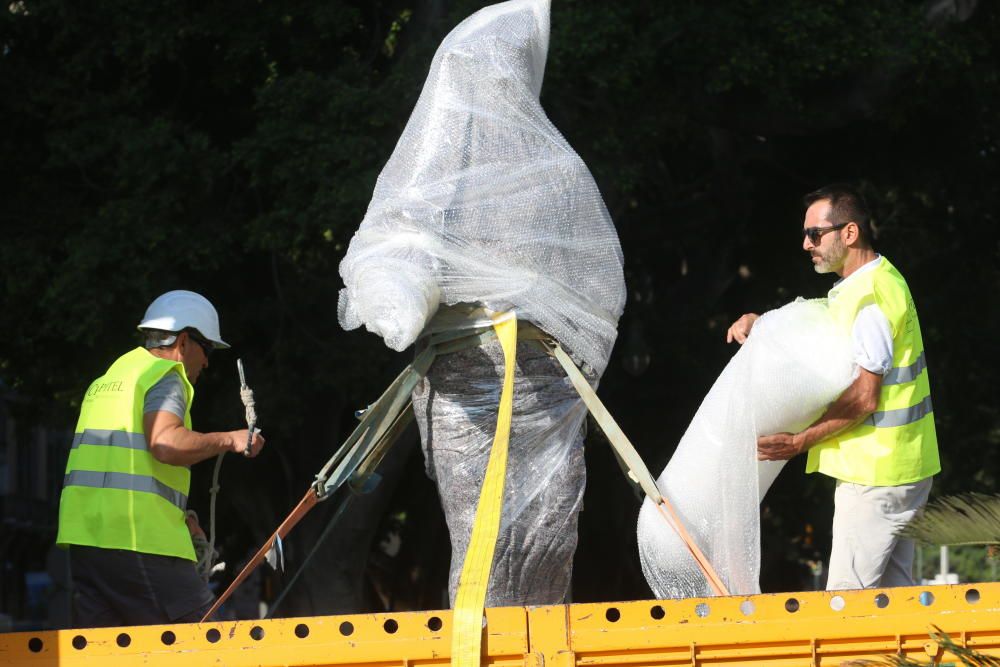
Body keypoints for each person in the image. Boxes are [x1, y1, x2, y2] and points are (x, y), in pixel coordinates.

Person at [727, 184, 940, 590]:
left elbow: (864, 397)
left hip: (875, 477)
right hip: (904, 467)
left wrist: (799, 441)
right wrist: (762, 323)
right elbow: (823, 317)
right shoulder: (875, 281)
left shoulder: (869, 298)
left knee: (846, 603)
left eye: (815, 234)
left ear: (850, 232)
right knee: (893, 601)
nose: (806, 244)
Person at [55, 290, 265, 627]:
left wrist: (181, 518)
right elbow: (165, 443)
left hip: (87, 544)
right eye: (207, 349)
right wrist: (230, 439)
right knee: (206, 640)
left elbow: (120, 467)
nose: (206, 362)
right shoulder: (166, 376)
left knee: (109, 649)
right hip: (139, 541)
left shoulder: (111, 379)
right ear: (183, 342)